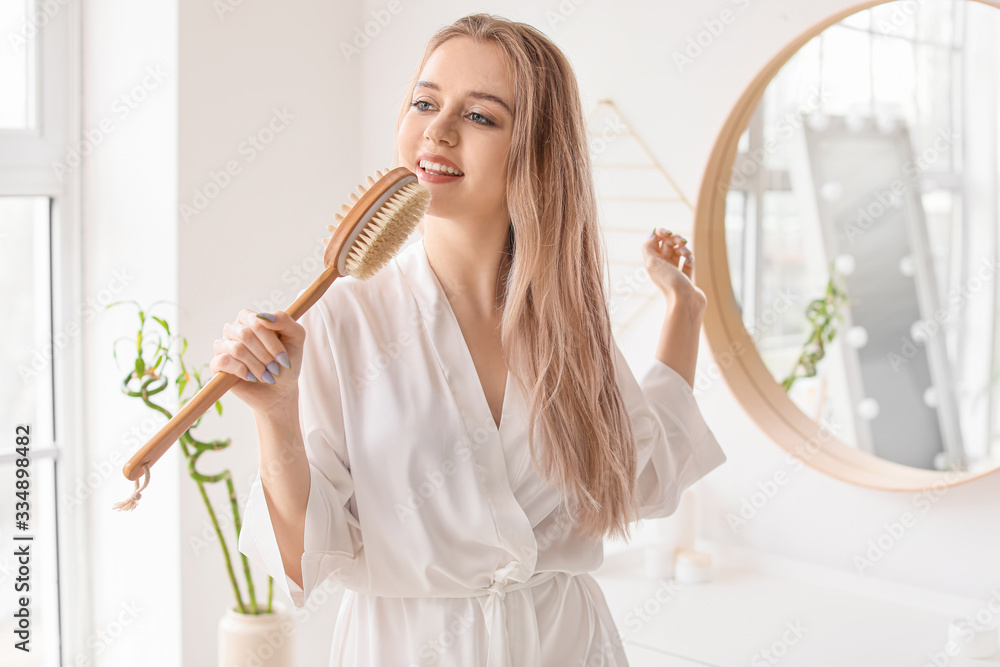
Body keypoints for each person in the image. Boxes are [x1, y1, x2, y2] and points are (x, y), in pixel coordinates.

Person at [220, 13, 726, 667]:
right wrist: (275, 412)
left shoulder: (568, 322)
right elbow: (302, 557)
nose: (438, 129)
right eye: (425, 102)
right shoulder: (344, 319)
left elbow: (644, 478)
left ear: (536, 151)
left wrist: (683, 313)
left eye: (481, 116)